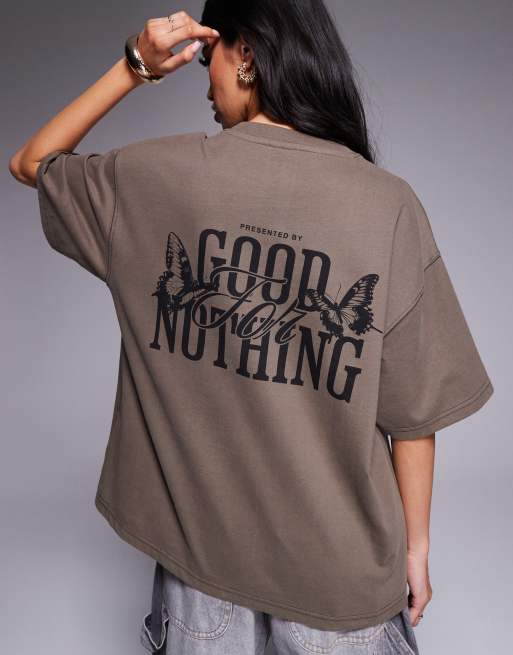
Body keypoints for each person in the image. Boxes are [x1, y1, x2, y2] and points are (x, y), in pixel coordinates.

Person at [9, 1, 494, 654]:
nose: (205, 81)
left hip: (200, 585)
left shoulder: (154, 177)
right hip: (338, 586)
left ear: (246, 54)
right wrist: (416, 550)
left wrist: (136, 65)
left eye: (209, 57)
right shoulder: (387, 204)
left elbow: (33, 161)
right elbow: (413, 416)